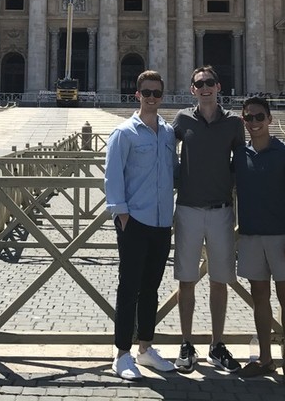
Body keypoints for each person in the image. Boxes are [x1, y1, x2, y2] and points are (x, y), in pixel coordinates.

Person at [104, 70, 178, 380]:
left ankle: (145, 349)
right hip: (135, 221)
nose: (151, 97)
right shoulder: (124, 132)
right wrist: (121, 214)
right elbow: (112, 174)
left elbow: (174, 170)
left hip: (162, 222)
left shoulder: (168, 133)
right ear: (137, 95)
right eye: (146, 92)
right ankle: (122, 353)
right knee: (129, 287)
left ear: (162, 95)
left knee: (151, 288)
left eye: (156, 93)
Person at [171, 66, 245, 374]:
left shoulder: (234, 124)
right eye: (199, 83)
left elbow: (242, 165)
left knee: (220, 280)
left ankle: (217, 344)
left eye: (210, 82)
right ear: (192, 89)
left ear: (218, 86)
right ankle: (186, 343)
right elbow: (164, 154)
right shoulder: (182, 120)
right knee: (186, 279)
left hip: (220, 210)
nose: (205, 87)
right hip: (188, 209)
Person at [235, 96, 285, 387]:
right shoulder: (240, 155)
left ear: (269, 119)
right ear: (243, 121)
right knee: (259, 299)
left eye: (259, 117)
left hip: (281, 238)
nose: (254, 122)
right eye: (249, 118)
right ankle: (265, 358)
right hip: (252, 236)